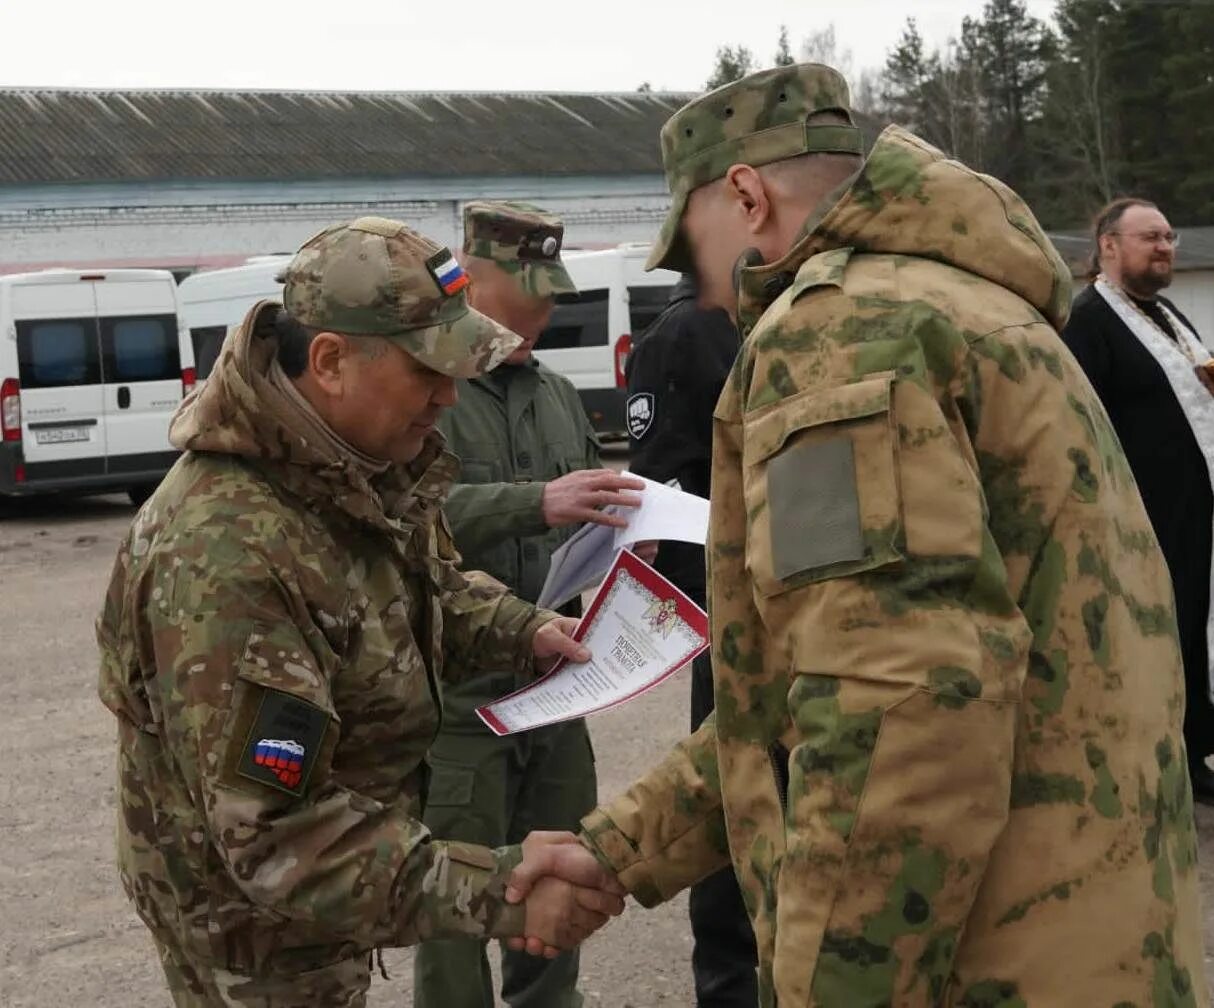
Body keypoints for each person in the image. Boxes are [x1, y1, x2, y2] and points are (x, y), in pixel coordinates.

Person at [508, 64, 1211, 1006]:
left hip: (988, 961)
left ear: (747, 198)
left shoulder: (840, 333)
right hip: (1085, 934)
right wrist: (616, 850)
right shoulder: (974, 305)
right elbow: (800, 700)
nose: (705, 290)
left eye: (693, 249)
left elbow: (896, 707)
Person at [95, 216, 625, 1007]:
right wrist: (499, 883)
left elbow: (427, 585)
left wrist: (524, 627)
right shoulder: (227, 554)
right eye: (426, 373)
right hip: (256, 942)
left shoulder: (351, 469)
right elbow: (278, 833)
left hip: (325, 911)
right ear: (331, 361)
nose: (448, 397)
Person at [414, 201, 650, 1008]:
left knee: (559, 901)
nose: (545, 312)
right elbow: (402, 521)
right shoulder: (428, 391)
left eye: (551, 296)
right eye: (529, 295)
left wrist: (628, 538)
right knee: (453, 917)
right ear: (470, 280)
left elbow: (587, 504)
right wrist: (533, 501)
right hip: (459, 703)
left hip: (555, 693)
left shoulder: (554, 393)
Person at [1059, 197, 1214, 809]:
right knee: (1149, 643)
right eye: (1150, 237)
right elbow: (1076, 422)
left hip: (1197, 515)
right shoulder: (1088, 319)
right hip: (1138, 519)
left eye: (1170, 236)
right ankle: (1149, 773)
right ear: (1109, 246)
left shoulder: (1166, 313)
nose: (1165, 246)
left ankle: (1193, 759)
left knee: (1195, 632)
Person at [622, 275, 756, 1008]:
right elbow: (651, 478)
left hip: (804, 600)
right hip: (728, 601)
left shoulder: (787, 313)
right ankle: (729, 986)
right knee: (732, 792)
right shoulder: (687, 332)